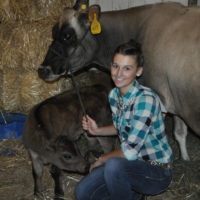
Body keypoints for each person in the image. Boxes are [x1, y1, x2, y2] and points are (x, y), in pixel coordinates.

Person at [75, 39, 173, 200]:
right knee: (83, 192)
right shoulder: (114, 95)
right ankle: (133, 194)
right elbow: (121, 127)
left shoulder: (145, 100)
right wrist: (96, 130)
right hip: (128, 166)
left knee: (113, 166)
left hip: (156, 169)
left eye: (127, 68)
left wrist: (101, 160)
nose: (118, 74)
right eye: (115, 66)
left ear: (139, 71)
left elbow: (130, 152)